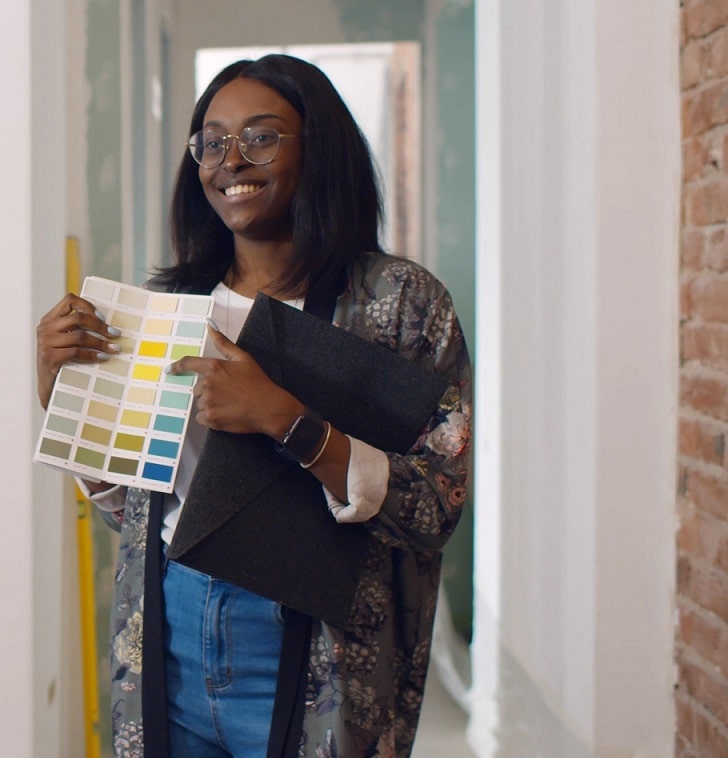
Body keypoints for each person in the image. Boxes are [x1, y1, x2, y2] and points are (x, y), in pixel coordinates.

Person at [34, 54, 471, 757]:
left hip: (306, 641)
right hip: (169, 627)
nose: (230, 159)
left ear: (318, 145)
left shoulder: (400, 306)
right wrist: (58, 392)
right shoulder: (171, 309)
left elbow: (436, 506)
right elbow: (135, 510)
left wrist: (287, 421)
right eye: (211, 141)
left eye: (261, 136)